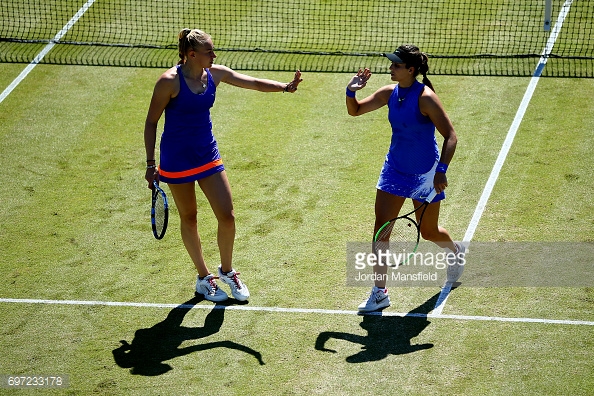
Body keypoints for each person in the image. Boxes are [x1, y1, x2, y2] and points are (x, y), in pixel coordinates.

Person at [144, 28, 303, 302]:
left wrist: (285, 87)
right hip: (177, 159)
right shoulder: (168, 82)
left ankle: (227, 271)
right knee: (190, 217)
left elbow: (251, 82)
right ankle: (204, 278)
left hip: (207, 154)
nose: (214, 56)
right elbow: (151, 122)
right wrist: (150, 164)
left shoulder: (215, 73)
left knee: (227, 216)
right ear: (192, 54)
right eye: (209, 52)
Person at [345, 44, 465, 312]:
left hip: (425, 175)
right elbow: (355, 111)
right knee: (381, 230)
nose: (391, 68)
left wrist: (441, 170)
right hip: (395, 170)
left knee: (429, 231)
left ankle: (455, 252)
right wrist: (351, 91)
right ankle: (379, 292)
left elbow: (451, 136)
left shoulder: (426, 98)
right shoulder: (389, 92)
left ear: (410, 70)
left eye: (396, 65)